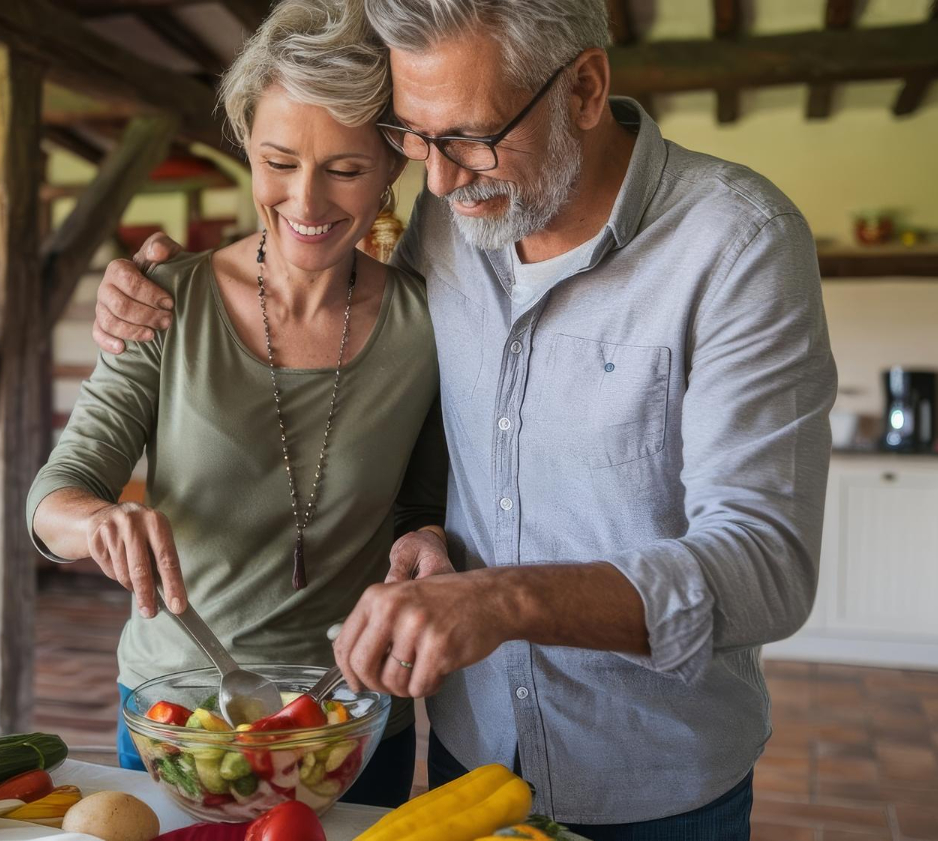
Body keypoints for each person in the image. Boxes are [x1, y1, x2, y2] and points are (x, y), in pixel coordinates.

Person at [86, 0, 838, 837]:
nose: (437, 182)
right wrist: (427, 531)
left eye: (468, 137)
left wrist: (503, 599)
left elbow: (767, 565)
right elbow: (414, 409)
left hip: (652, 787)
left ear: (584, 87)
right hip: (467, 762)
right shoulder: (455, 218)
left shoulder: (738, 244)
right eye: (414, 137)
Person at [25, 0, 447, 809]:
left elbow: (424, 507)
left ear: (394, 163)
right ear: (247, 145)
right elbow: (55, 492)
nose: (307, 201)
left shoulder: (426, 325)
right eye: (278, 161)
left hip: (348, 715)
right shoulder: (164, 301)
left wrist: (427, 542)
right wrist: (97, 522)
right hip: (179, 713)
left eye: (346, 170)